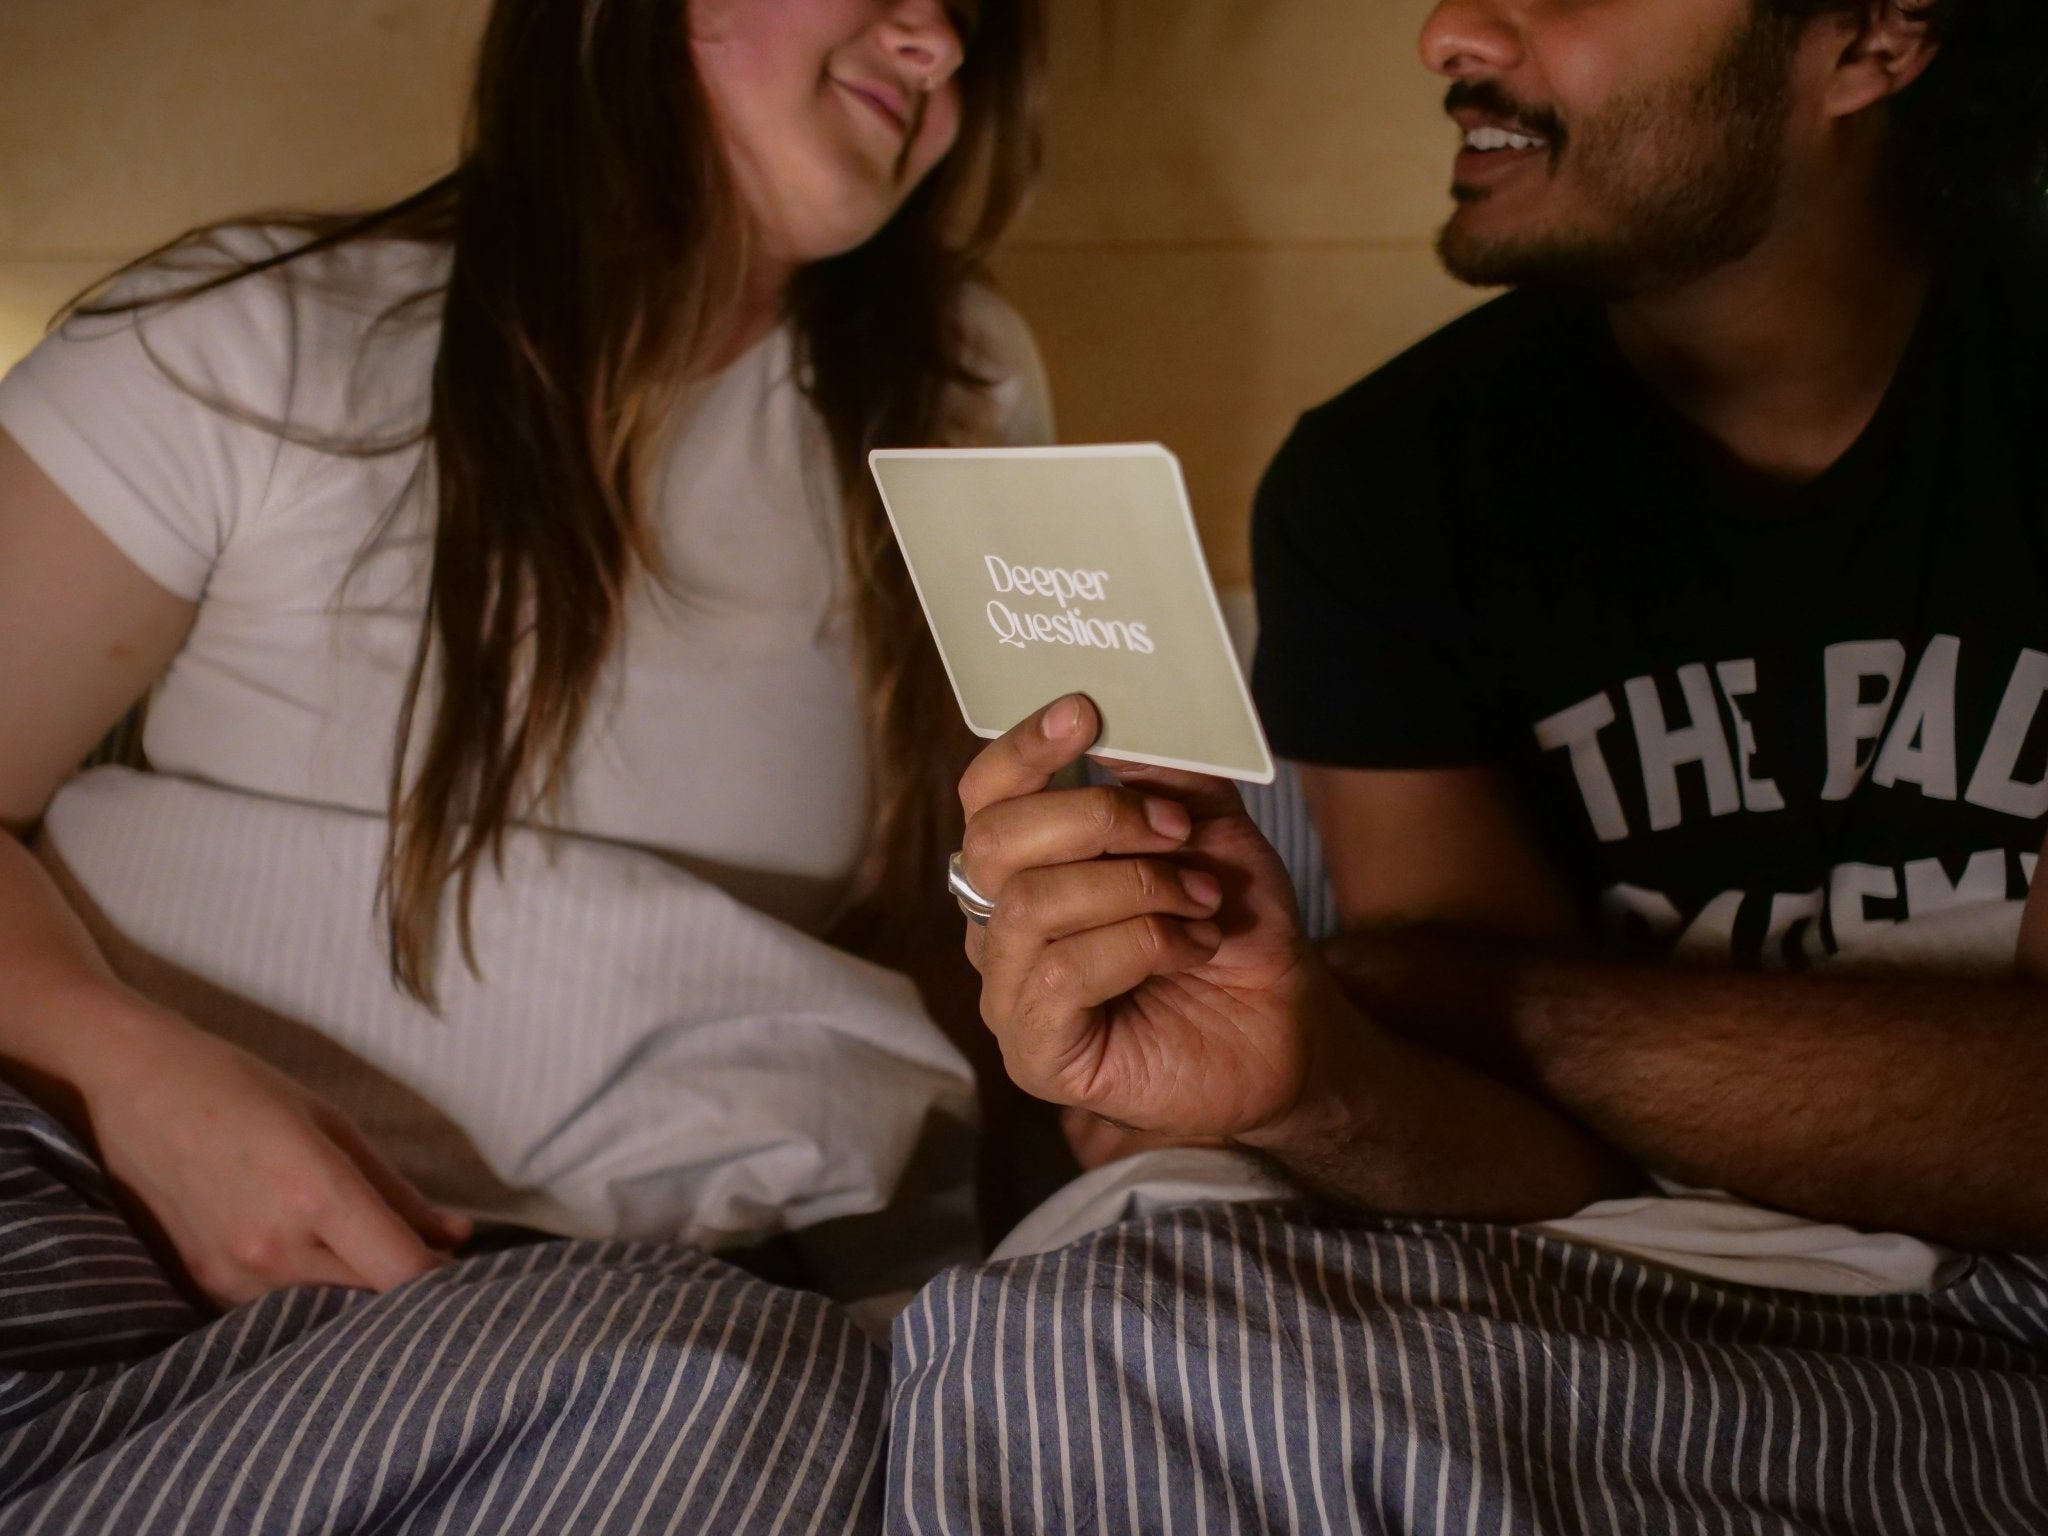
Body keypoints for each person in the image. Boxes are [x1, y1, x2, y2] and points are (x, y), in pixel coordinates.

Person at [923, 0, 2048, 1528]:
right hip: (1603, 1279)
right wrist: (1306, 1071)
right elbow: (1526, 1161)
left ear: (1872, 42)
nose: (1449, 28)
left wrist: (1415, 989)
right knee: (1056, 1334)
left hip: (1998, 1321)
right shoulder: (1385, 483)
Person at [0, 0, 1045, 1529]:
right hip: (121, 1195)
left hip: (656, 1300)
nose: (942, 44)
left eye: (972, 12)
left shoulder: (961, 388)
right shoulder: (239, 341)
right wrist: (128, 1074)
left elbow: (953, 909)